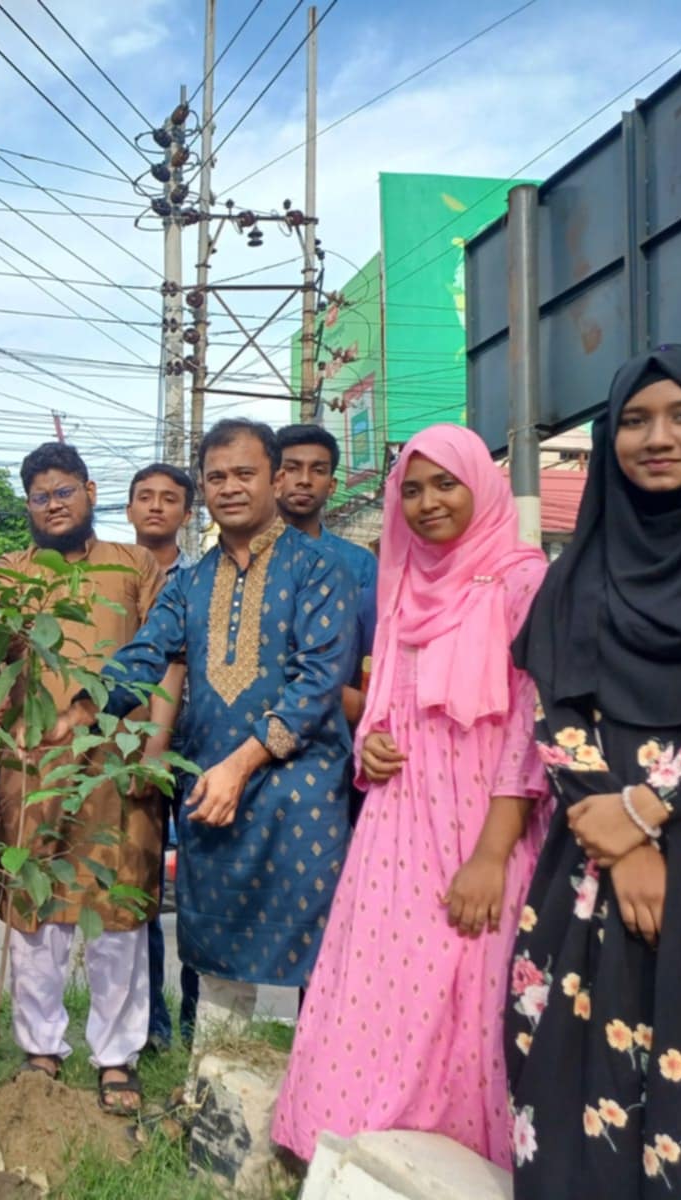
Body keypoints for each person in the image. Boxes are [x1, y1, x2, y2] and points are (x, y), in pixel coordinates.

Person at [272, 424, 548, 1166]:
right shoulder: (402, 584)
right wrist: (373, 743)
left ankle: (465, 1156)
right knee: (381, 991)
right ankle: (352, 1148)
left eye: (444, 484)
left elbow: (533, 724)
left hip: (486, 817)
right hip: (398, 820)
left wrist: (492, 855)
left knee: (475, 991)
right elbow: (386, 702)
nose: (427, 505)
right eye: (412, 489)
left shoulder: (522, 581)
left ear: (481, 486)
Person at [507, 345, 681, 1198]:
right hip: (593, 869)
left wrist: (652, 807)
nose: (656, 438)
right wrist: (621, 836)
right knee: (569, 1067)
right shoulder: (580, 574)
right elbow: (555, 709)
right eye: (633, 421)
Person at [66, 419, 356, 1028]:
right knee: (215, 949)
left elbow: (317, 684)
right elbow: (147, 654)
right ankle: (213, 1094)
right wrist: (81, 710)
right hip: (209, 789)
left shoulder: (322, 568)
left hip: (299, 788)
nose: (230, 488)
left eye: (244, 474)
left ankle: (318, 1099)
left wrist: (242, 764)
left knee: (324, 952)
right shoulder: (191, 582)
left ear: (275, 479)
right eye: (216, 477)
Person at [1, 442, 164, 1115]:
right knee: (34, 915)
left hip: (117, 764)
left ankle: (117, 1056)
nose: (53, 504)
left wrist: (154, 747)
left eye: (64, 490)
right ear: (28, 505)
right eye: (40, 495)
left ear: (91, 492)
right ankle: (40, 1048)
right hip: (33, 765)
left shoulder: (136, 565)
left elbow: (165, 656)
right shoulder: (8, 575)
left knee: (116, 910)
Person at [123, 462, 200, 1053]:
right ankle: (148, 1027)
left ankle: (201, 1026)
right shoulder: (110, 576)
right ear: (127, 510)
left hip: (197, 749)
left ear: (186, 512)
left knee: (199, 890)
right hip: (126, 751)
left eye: (168, 498)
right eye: (144, 497)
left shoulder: (204, 581)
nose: (155, 507)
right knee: (139, 889)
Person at [276, 425, 377, 729]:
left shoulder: (359, 564)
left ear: (332, 485)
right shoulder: (249, 559)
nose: (304, 480)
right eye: (292, 468)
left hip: (339, 727)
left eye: (317, 470)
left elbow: (371, 654)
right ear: (274, 477)